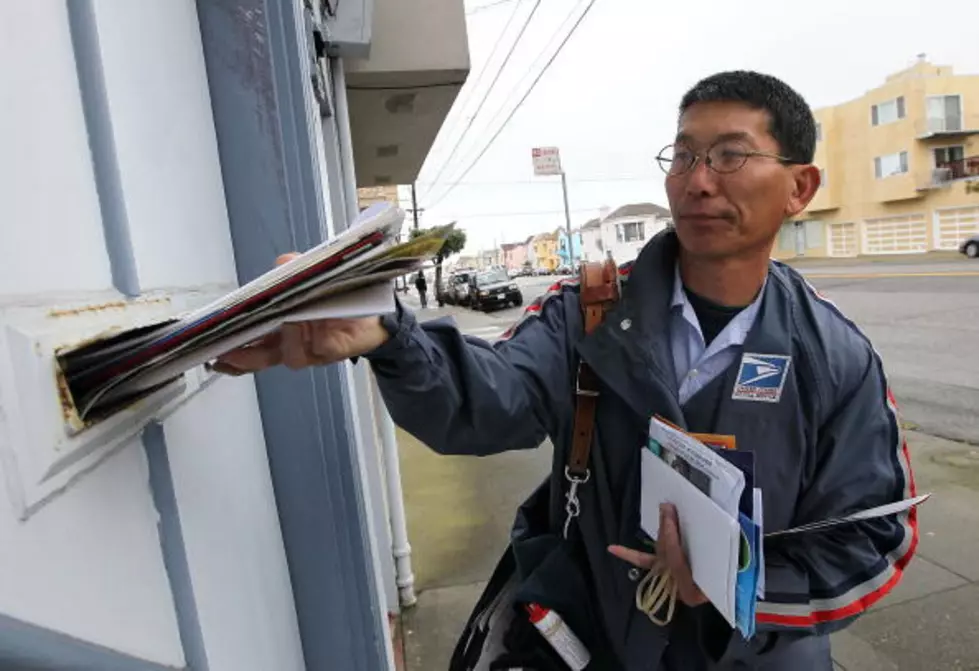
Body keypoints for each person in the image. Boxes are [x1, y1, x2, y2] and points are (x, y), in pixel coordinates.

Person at [214, 71, 917, 670]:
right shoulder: (591, 313)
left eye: (730, 157)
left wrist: (738, 586)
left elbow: (875, 541)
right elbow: (487, 402)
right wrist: (386, 337)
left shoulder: (832, 355)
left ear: (799, 187)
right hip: (600, 641)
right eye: (683, 155)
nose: (697, 182)